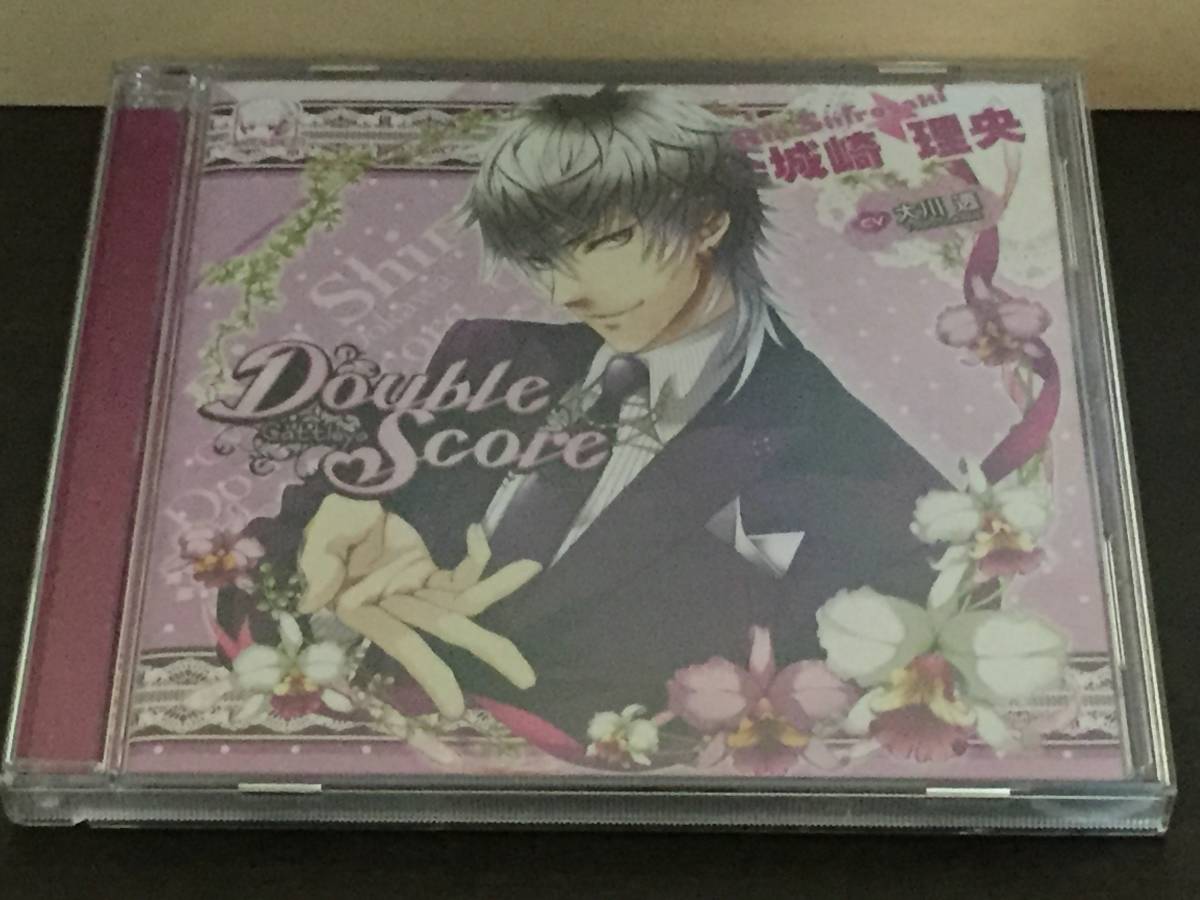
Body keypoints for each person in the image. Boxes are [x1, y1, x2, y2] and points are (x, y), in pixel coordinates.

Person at [219, 87, 947, 744]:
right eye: (542, 258)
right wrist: (323, 593)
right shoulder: (488, 354)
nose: (565, 291)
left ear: (707, 221)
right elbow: (264, 565)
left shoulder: (857, 465)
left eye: (604, 242)